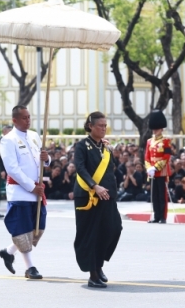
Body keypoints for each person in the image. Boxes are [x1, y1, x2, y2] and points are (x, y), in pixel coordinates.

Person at [0, 105, 51, 279]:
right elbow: (12, 169)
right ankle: (30, 267)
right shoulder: (8, 140)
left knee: (37, 228)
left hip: (37, 190)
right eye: (24, 118)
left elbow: (41, 160)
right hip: (21, 191)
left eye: (29, 117)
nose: (28, 120)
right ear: (14, 120)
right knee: (22, 229)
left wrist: (47, 159)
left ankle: (8, 252)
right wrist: (31, 186)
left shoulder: (35, 136)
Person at [73, 111, 122, 288]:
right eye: (100, 125)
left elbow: (110, 171)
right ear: (90, 126)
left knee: (113, 228)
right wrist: (95, 186)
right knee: (91, 235)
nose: (103, 128)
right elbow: (80, 168)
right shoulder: (82, 145)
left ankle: (99, 263)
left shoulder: (105, 147)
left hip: (107, 196)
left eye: (105, 125)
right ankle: (93, 274)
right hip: (88, 195)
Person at [145, 109, 172, 224]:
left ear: (161, 128)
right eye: (154, 128)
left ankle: (162, 216)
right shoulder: (149, 142)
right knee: (154, 195)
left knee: (162, 195)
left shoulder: (166, 141)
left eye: (157, 128)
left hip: (161, 171)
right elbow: (147, 157)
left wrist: (156, 167)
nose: (155, 130)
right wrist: (149, 168)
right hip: (152, 171)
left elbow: (166, 156)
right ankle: (156, 216)